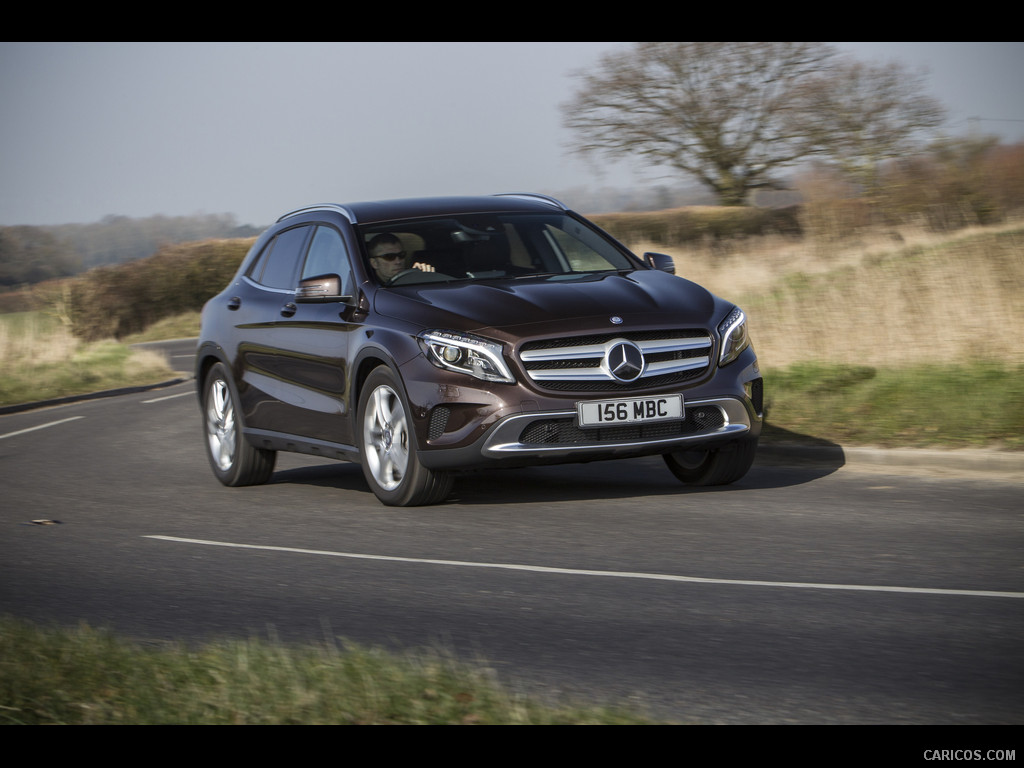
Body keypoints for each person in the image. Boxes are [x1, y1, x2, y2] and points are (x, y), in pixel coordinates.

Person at [366, 233, 433, 283]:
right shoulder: (369, 287)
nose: (398, 261)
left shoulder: (413, 278)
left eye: (401, 255)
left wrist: (425, 276)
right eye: (389, 257)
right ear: (374, 263)